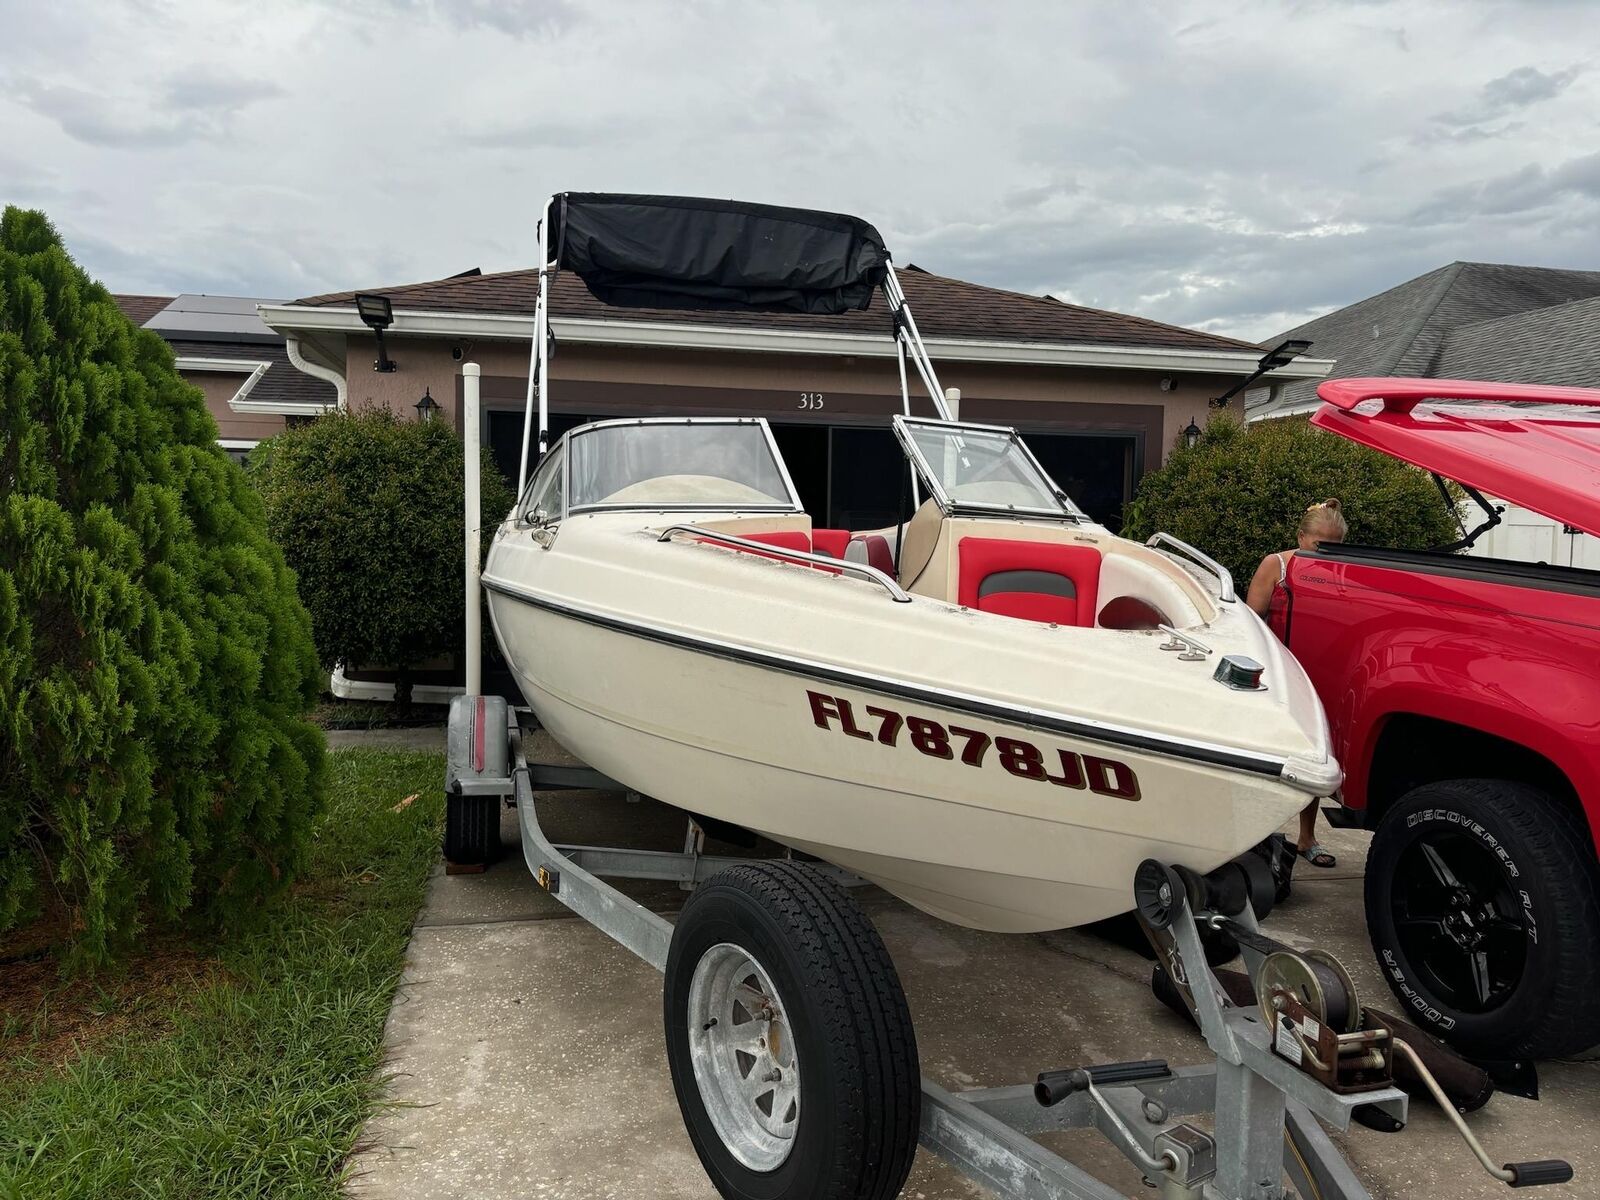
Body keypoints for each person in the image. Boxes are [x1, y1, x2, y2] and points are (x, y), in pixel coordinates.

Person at [1246, 498, 1349, 869]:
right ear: (1301, 536)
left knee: (1313, 755)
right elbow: (1252, 622)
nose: (1325, 550)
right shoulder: (1277, 565)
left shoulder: (1345, 571)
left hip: (1323, 673)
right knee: (1267, 752)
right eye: (1318, 542)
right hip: (1280, 674)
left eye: (1334, 545)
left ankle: (1308, 837)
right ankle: (1253, 836)